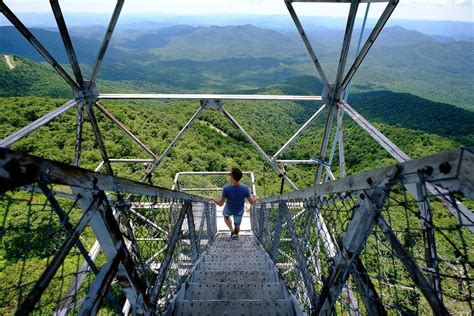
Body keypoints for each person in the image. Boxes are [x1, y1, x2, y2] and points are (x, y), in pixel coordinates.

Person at [210, 168, 257, 240]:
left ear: (232, 177)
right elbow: (252, 202)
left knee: (226, 216)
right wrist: (256, 197)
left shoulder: (226, 188)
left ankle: (232, 231)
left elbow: (220, 204)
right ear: (240, 177)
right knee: (237, 226)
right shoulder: (245, 188)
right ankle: (236, 235)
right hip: (239, 210)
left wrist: (213, 198)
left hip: (228, 209)